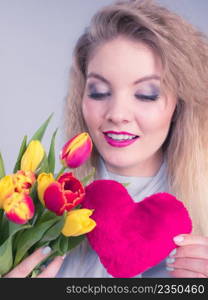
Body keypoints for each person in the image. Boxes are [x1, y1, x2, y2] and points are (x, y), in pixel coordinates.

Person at [5, 0, 208, 278]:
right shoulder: (32, 205)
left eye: (147, 94)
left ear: (179, 105)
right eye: (99, 92)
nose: (117, 114)